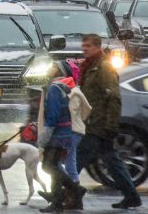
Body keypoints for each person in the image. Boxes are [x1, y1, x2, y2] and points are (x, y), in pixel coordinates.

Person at [73, 34, 142, 210]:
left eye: (88, 46)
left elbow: (113, 99)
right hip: (92, 122)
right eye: (83, 45)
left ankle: (63, 193)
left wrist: (111, 126)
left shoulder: (104, 68)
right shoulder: (90, 67)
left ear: (98, 47)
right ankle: (131, 195)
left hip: (98, 124)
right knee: (111, 161)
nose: (85, 48)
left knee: (78, 159)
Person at [35, 60, 84, 212]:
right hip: (64, 133)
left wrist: (43, 137)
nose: (50, 68)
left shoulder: (55, 88)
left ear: (59, 71)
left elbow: (53, 116)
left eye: (53, 66)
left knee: (48, 165)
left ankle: (75, 189)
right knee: (54, 166)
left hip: (57, 134)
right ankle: (57, 203)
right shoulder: (64, 86)